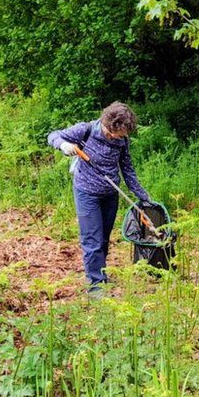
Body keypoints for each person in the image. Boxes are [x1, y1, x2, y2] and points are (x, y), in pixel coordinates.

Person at [48, 102, 153, 295]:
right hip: (86, 192)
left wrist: (143, 197)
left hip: (110, 193)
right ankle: (95, 285)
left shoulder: (122, 141)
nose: (118, 138)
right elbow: (53, 136)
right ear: (108, 125)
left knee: (103, 239)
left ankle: (100, 273)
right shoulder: (85, 130)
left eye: (123, 135)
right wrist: (64, 145)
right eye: (116, 134)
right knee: (92, 239)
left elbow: (127, 169)